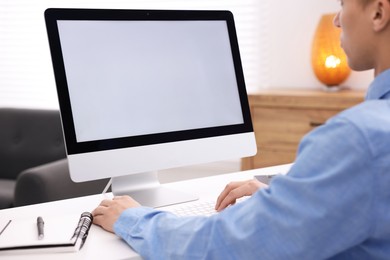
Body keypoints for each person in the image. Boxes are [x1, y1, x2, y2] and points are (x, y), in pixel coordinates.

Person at [92, 0, 390, 258]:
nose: (337, 19)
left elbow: (225, 247)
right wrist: (291, 202)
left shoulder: (359, 138)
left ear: (378, 12)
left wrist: (132, 220)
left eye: (342, 3)